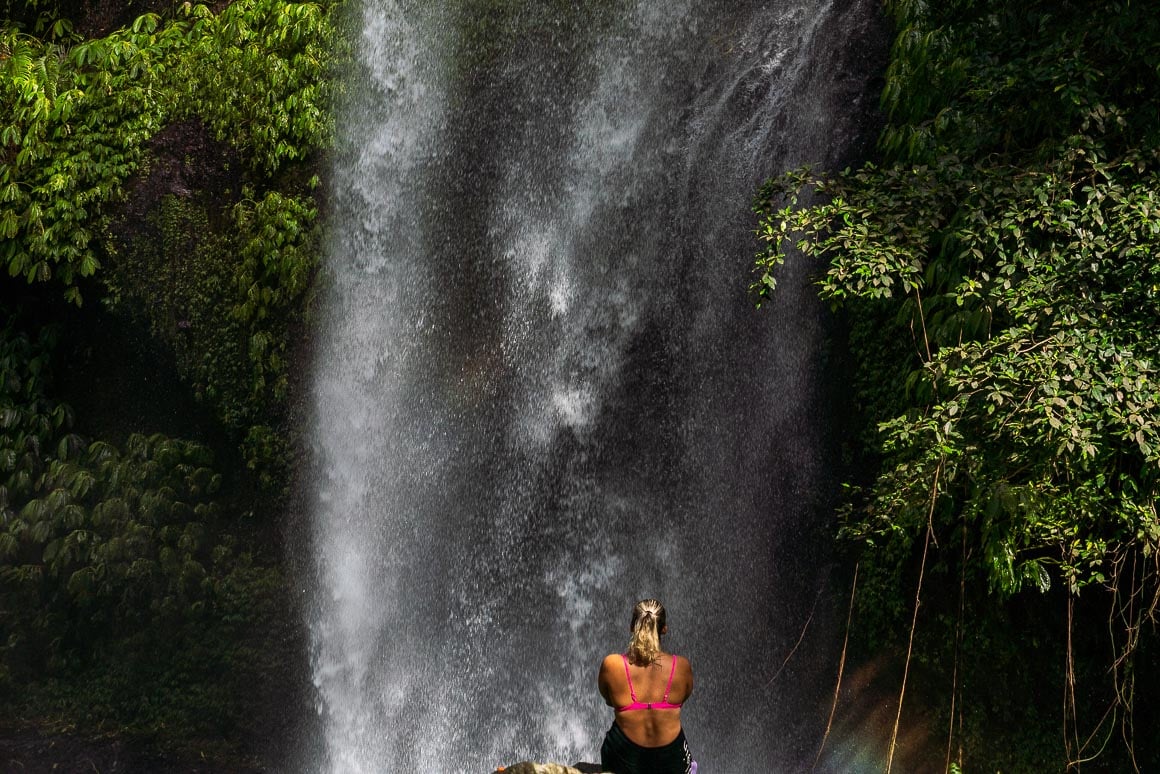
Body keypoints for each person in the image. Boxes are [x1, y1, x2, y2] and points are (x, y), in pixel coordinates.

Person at [598, 599, 695, 774]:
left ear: (632, 626)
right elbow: (684, 695)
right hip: (670, 760)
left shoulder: (612, 664)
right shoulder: (681, 667)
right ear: (664, 629)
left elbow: (608, 698)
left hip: (624, 757)